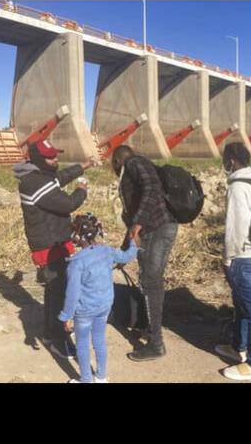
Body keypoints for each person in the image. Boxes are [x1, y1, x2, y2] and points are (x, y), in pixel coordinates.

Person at [13, 139, 93, 359]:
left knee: (55, 290)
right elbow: (67, 204)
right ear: (38, 160)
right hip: (48, 246)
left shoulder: (41, 176)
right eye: (50, 157)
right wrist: (81, 190)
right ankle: (56, 339)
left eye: (55, 155)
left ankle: (51, 330)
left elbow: (59, 179)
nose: (55, 160)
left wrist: (82, 166)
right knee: (59, 292)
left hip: (56, 240)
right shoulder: (34, 183)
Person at [111, 145, 179, 361]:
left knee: (151, 282)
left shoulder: (134, 163)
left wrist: (138, 223)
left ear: (117, 160)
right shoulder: (135, 168)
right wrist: (125, 249)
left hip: (158, 228)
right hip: (152, 230)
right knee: (149, 280)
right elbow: (134, 217)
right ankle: (148, 327)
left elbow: (152, 188)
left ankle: (156, 344)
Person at [60, 213, 139, 383]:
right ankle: (102, 376)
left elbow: (72, 294)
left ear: (77, 236)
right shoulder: (107, 251)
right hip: (104, 305)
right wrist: (133, 242)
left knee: (82, 343)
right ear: (97, 231)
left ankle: (86, 379)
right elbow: (126, 256)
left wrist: (66, 316)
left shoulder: (76, 262)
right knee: (99, 340)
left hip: (85, 310)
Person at [214, 142, 251, 381]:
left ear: (233, 160)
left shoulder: (237, 185)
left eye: (225, 159)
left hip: (243, 256)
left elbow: (235, 227)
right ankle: (239, 346)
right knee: (242, 305)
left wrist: (227, 259)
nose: (224, 164)